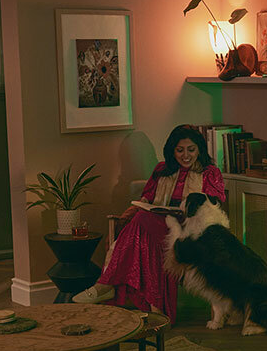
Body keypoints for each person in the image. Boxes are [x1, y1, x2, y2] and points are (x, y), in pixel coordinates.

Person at [73, 126, 225, 321]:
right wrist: (142, 204)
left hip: (189, 228)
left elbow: (214, 204)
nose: (186, 155)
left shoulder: (210, 172)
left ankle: (106, 284)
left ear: (199, 150)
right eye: (180, 150)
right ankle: (158, 312)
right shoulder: (161, 169)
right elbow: (147, 197)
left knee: (142, 223)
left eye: (191, 149)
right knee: (146, 233)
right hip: (158, 223)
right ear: (172, 150)